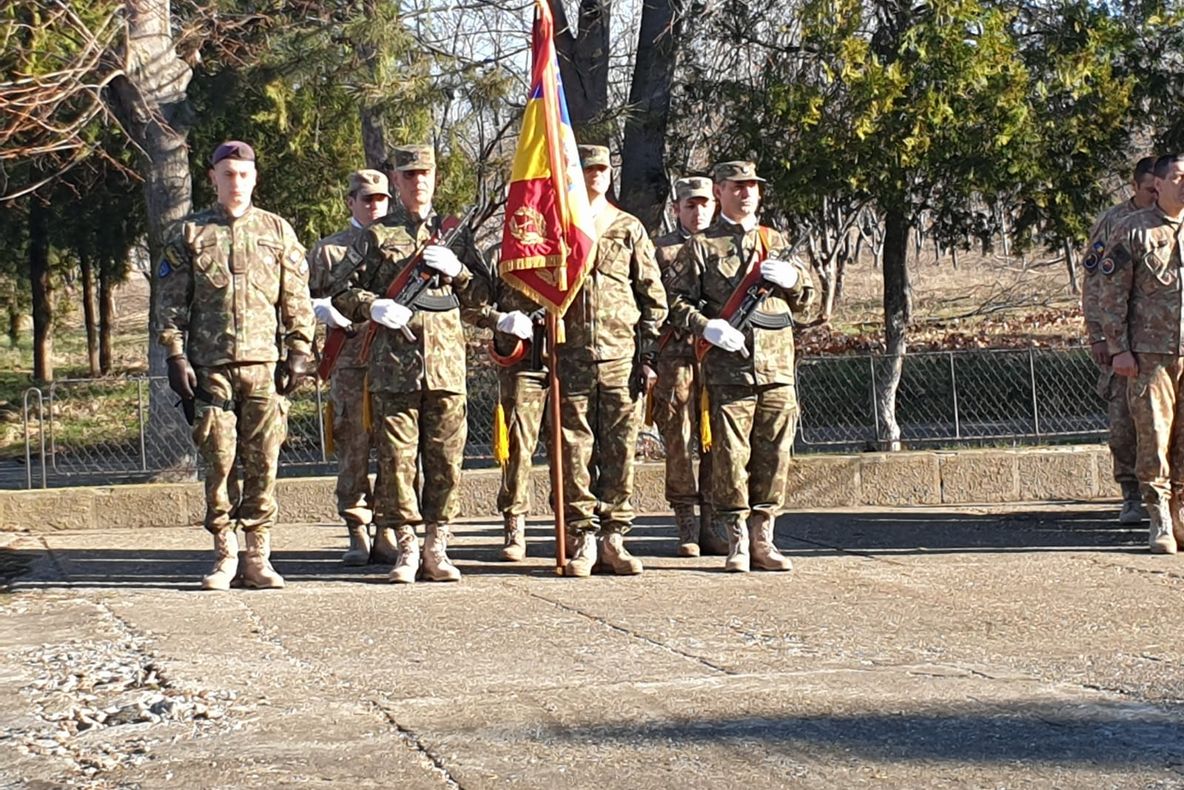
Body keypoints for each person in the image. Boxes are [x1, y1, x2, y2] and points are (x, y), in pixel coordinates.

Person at [157, 140, 315, 590]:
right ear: (213, 178)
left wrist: (299, 349)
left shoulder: (278, 231)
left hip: (265, 366)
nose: (236, 183)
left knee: (264, 460)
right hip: (212, 368)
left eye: (243, 174)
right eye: (227, 174)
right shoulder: (189, 233)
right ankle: (224, 552)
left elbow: (296, 298)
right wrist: (175, 354)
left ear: (255, 178)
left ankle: (258, 553)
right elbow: (170, 302)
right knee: (219, 460)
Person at [330, 145, 486, 582]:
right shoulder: (376, 236)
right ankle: (406, 548)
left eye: (425, 173)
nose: (418, 181)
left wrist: (459, 271)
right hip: (392, 368)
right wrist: (373, 306)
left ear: (435, 178)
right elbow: (343, 290)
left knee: (446, 461)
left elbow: (480, 300)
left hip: (446, 368)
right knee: (398, 462)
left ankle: (438, 546)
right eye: (408, 174)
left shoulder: (456, 234)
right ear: (395, 181)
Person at [667, 160, 816, 573]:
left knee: (775, 454)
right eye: (737, 186)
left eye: (752, 186)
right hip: (729, 370)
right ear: (719, 191)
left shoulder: (776, 241)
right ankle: (735, 537)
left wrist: (794, 281)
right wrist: (708, 327)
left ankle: (763, 538)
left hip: (778, 368)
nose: (746, 193)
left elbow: (811, 305)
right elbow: (675, 304)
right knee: (730, 457)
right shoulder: (701, 246)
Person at [557, 144, 668, 577]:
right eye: (589, 169)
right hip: (572, 358)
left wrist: (649, 354)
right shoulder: (562, 228)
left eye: (603, 168)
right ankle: (582, 537)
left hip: (622, 357)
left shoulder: (628, 228)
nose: (597, 175)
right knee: (574, 450)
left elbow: (652, 296)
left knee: (621, 450)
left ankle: (614, 536)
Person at [1097, 152, 1184, 554]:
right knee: (1153, 438)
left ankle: (1181, 513)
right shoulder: (1134, 230)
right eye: (1179, 177)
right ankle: (1159, 516)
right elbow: (1110, 295)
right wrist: (1118, 349)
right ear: (1158, 185)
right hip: (1149, 356)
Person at [307, 169, 390, 565]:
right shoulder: (329, 251)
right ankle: (357, 529)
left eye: (381, 199)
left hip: (392, 362)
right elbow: (300, 301)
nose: (375, 206)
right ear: (351, 202)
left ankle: (390, 527)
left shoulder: (397, 245)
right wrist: (318, 311)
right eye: (367, 199)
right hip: (349, 360)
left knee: (395, 450)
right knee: (353, 446)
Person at [651, 175, 727, 558]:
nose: (698, 212)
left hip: (716, 358)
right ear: (676, 209)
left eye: (703, 205)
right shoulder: (658, 249)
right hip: (674, 357)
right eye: (689, 206)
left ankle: (713, 522)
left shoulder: (721, 248)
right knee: (678, 441)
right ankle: (686, 523)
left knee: (716, 441)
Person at [1080, 156, 1158, 524]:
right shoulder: (1116, 223)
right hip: (1125, 342)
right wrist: (1100, 336)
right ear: (1135, 186)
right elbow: (1097, 281)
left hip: (1167, 342)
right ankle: (1131, 495)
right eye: (1149, 190)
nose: (1156, 196)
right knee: (1124, 424)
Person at [473, 245, 546, 561]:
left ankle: (573, 526)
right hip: (520, 362)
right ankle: (515, 526)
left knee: (574, 446)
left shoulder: (571, 240)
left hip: (570, 359)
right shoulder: (499, 254)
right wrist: (500, 319)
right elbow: (471, 305)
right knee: (517, 445)